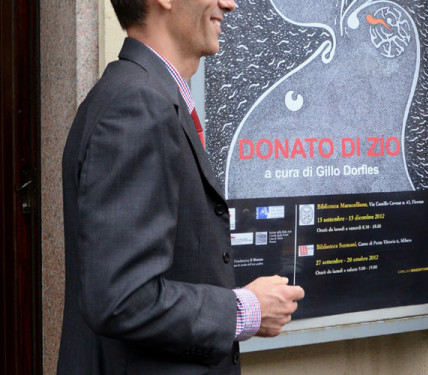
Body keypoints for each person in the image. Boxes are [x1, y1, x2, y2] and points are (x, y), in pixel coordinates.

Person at [58, 0, 305, 373]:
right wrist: (245, 310)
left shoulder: (138, 94)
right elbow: (122, 298)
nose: (230, 4)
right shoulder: (137, 103)